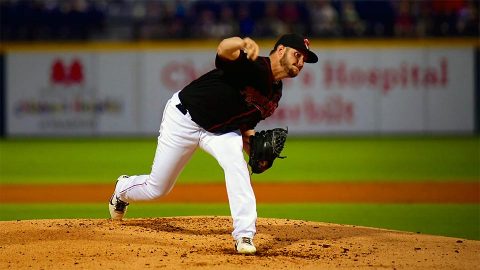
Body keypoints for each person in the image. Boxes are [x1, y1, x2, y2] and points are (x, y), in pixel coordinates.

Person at [109, 34, 318, 254]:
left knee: (237, 165)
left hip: (219, 132)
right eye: (298, 55)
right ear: (281, 50)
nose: (301, 62)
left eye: (305, 59)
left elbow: (245, 125)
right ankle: (122, 189)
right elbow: (223, 50)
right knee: (158, 188)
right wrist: (242, 42)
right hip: (184, 118)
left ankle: (244, 234)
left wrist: (254, 151)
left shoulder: (275, 94)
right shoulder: (253, 66)